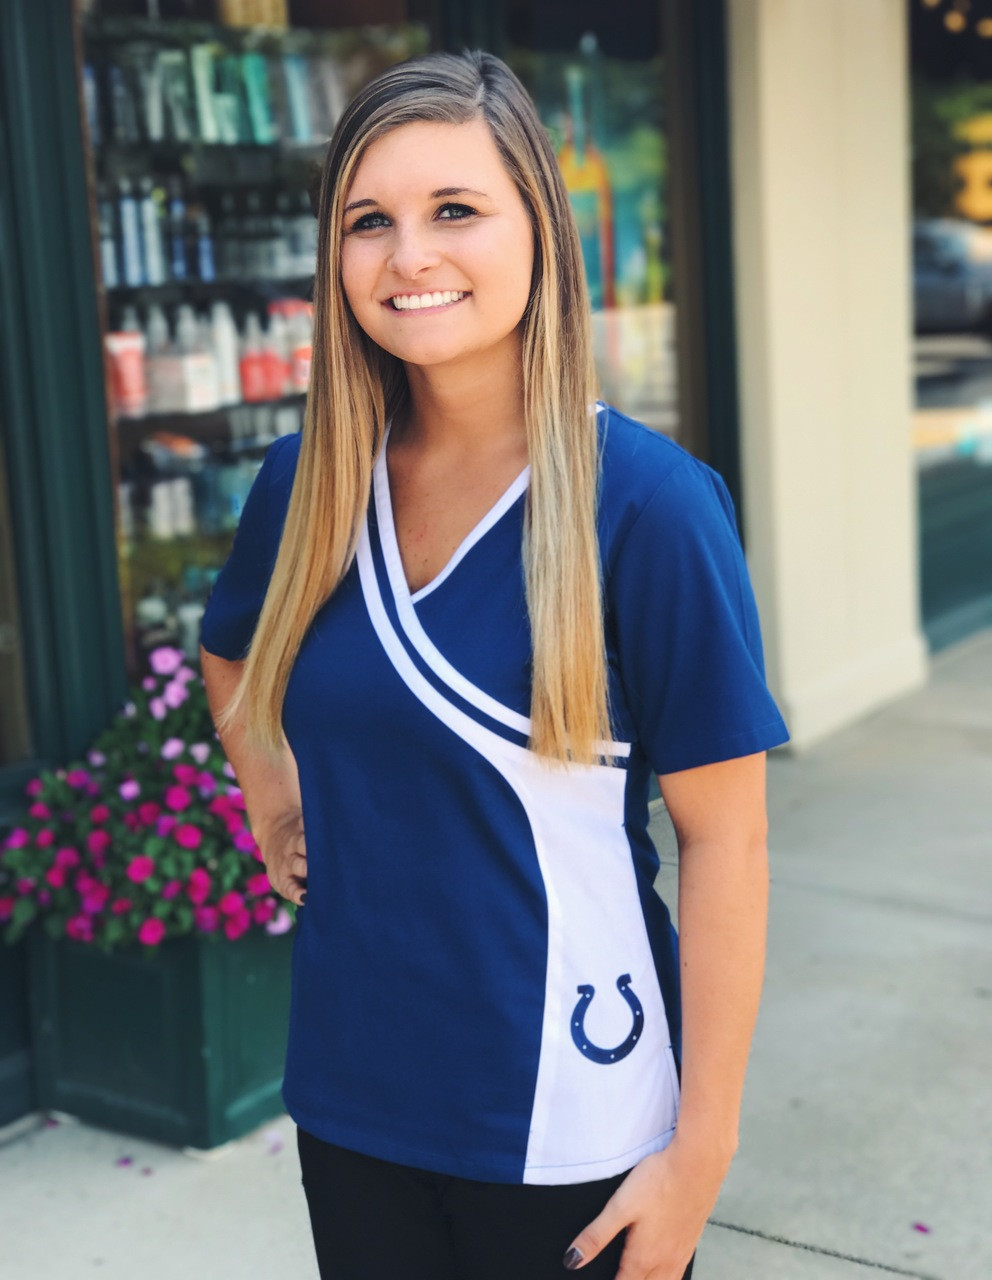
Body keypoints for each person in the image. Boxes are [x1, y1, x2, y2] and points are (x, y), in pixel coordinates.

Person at [200, 49, 789, 1280]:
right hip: (353, 1097)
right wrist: (274, 801)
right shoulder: (305, 485)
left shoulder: (647, 506)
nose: (408, 255)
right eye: (369, 221)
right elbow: (231, 656)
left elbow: (726, 840)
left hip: (575, 1112)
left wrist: (700, 1151)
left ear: (538, 228)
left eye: (454, 209)